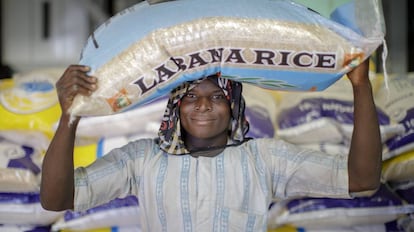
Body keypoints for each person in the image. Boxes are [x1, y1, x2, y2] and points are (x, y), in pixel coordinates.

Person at [40, 58, 382, 231]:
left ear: (233, 104)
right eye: (190, 96)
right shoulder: (142, 159)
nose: (203, 105)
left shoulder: (263, 158)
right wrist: (70, 115)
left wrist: (360, 85)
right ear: (175, 105)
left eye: (217, 96)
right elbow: (57, 199)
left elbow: (362, 179)